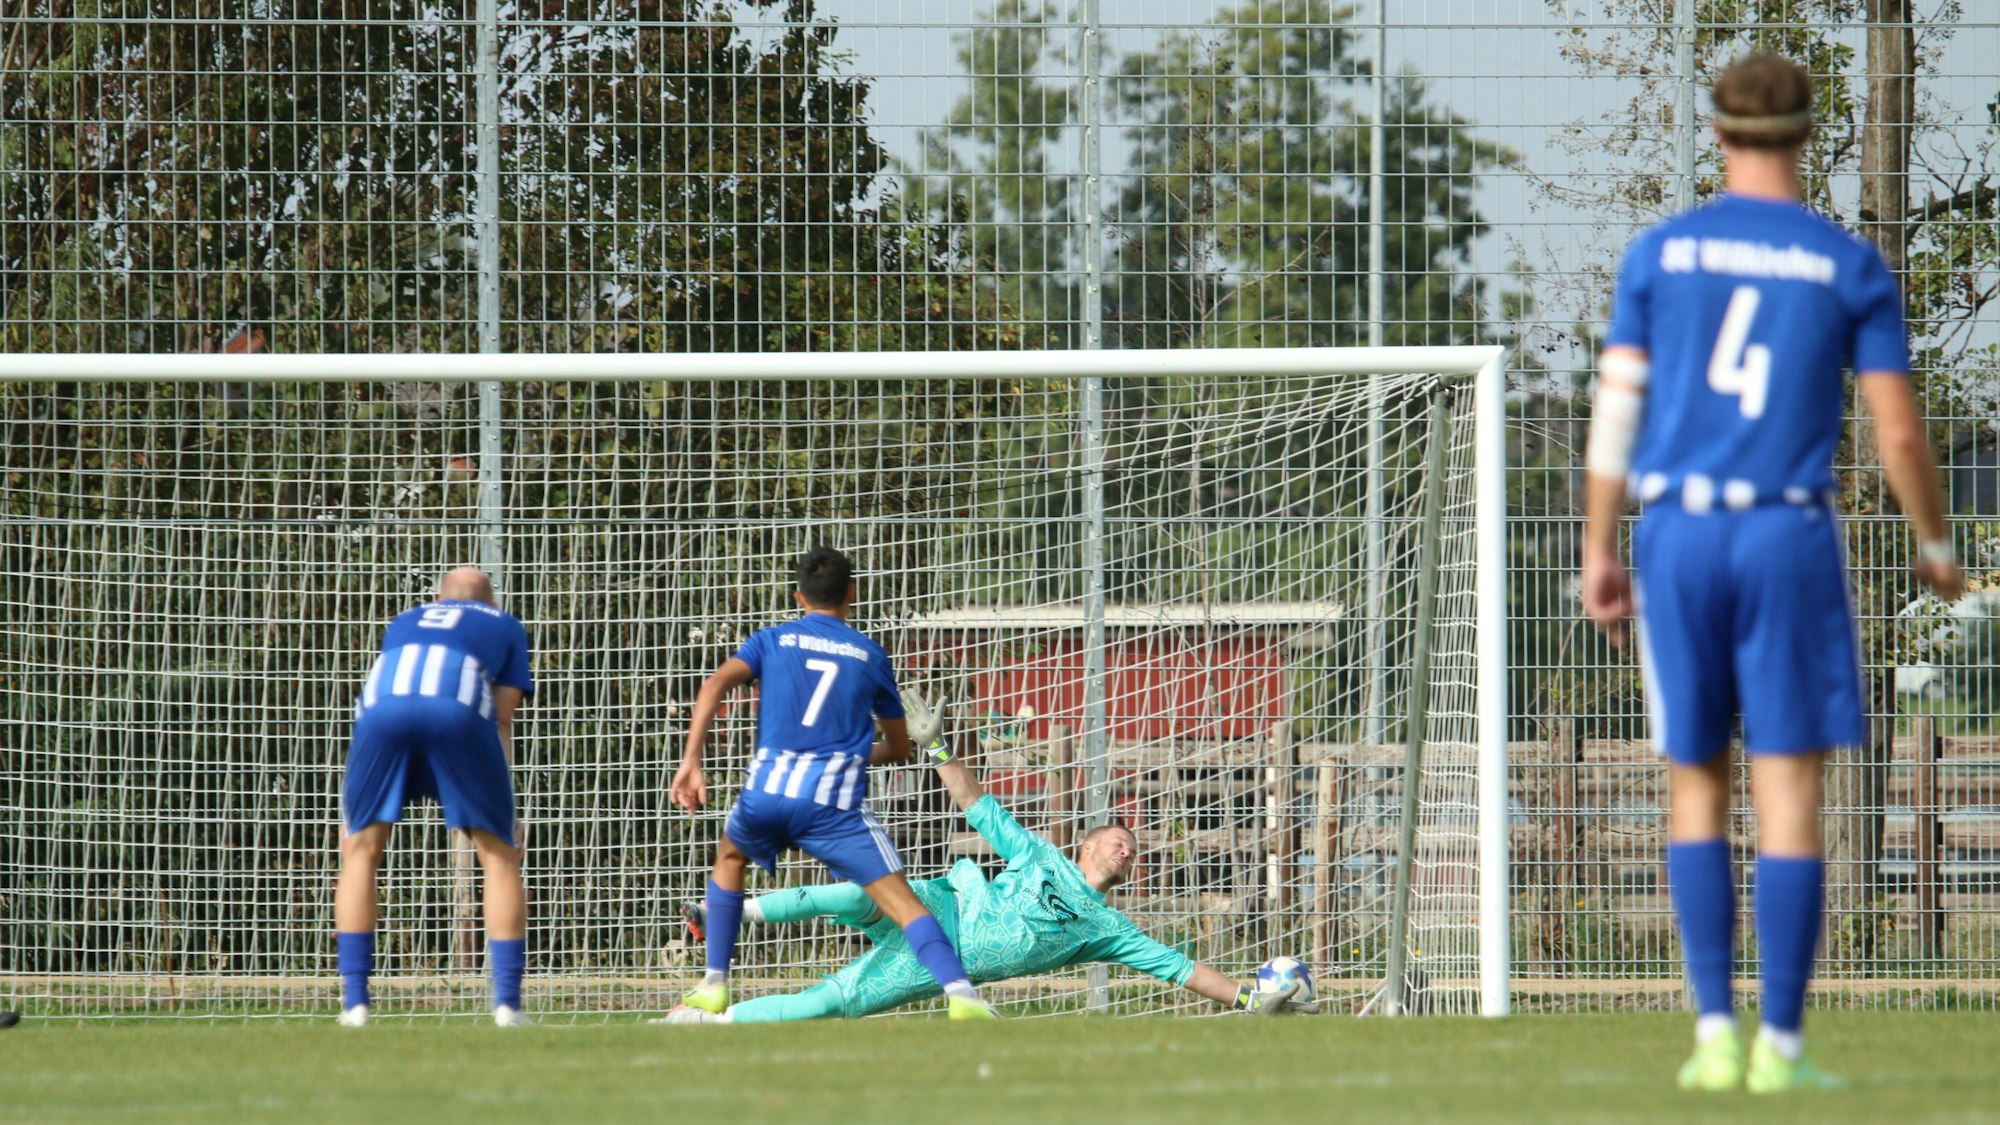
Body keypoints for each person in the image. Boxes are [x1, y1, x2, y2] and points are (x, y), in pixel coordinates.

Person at [1580, 53, 1963, 1092]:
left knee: (1692, 786)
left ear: (1715, 133)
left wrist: (1596, 548)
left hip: (1677, 534)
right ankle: (1780, 1050)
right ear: (1809, 137)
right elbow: (1894, 434)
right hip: (1787, 535)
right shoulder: (1846, 265)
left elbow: (1615, 410)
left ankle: (1710, 1034)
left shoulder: (1659, 253)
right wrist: (1934, 547)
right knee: (1787, 793)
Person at [663, 691, 1314, 1023]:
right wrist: (938, 747)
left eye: (1133, 846)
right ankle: (734, 909)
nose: (1126, 843)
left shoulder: (1108, 929)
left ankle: (703, 1021)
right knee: (866, 888)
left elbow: (1182, 968)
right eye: (1117, 833)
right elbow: (975, 802)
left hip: (951, 964)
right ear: (1084, 842)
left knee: (834, 1000)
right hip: (943, 903)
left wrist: (1249, 998)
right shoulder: (1034, 853)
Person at [668, 547, 997, 1019]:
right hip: (835, 806)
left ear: (798, 595)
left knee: (730, 859)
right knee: (904, 906)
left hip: (770, 792)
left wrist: (691, 761)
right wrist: (848, 752)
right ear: (852, 593)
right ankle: (962, 995)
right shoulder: (869, 654)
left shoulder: (773, 640)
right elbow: (899, 749)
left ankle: (715, 982)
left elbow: (713, 685)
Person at [334, 567, 536, 1027]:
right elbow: (502, 718)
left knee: (360, 849)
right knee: (499, 854)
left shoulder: (404, 619)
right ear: (492, 601)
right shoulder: (504, 624)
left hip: (382, 709)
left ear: (439, 598)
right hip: (456, 709)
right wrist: (507, 810)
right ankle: (507, 1006)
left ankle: (355, 1005)